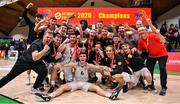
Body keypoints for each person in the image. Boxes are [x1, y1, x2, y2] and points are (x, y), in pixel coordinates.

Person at [34, 51, 122, 101]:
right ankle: (49, 96)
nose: (83, 57)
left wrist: (105, 67)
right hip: (75, 83)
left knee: (97, 88)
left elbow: (97, 67)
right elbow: (65, 65)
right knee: (62, 87)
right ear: (79, 58)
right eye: (81, 56)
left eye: (84, 56)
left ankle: (110, 95)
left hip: (85, 83)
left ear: (86, 58)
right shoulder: (75, 64)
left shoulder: (88, 65)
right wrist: (58, 65)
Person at [0, 28, 54, 94]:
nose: (49, 39)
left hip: (36, 63)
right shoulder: (36, 44)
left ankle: (34, 88)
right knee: (10, 76)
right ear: (43, 36)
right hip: (24, 61)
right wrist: (44, 50)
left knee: (44, 71)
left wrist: (55, 58)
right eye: (47, 37)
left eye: (50, 38)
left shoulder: (49, 45)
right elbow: (35, 57)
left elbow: (48, 58)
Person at [137, 14, 168, 96]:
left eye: (142, 30)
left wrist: (151, 25)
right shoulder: (140, 40)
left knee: (162, 68)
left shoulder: (152, 35)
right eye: (139, 31)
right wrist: (132, 50)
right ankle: (151, 85)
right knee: (149, 70)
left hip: (162, 54)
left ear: (146, 31)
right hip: (152, 56)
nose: (141, 32)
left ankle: (164, 87)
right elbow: (139, 51)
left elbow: (163, 40)